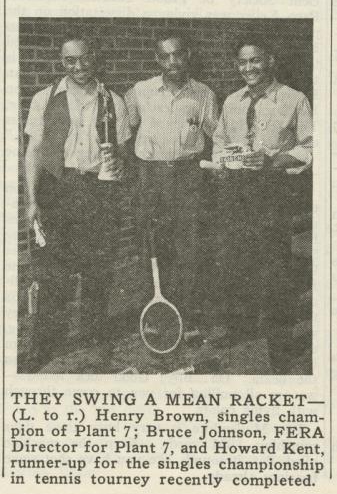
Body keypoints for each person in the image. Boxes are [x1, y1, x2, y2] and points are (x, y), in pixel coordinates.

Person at [24, 34, 131, 368]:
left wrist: (119, 164)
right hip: (57, 188)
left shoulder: (113, 100)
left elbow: (123, 152)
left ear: (94, 57)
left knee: (98, 268)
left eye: (84, 58)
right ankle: (45, 344)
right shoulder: (46, 98)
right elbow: (34, 151)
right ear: (61, 62)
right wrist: (32, 199)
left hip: (98, 190)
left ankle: (95, 334)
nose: (78, 66)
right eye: (70, 60)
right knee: (53, 271)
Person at [212, 36, 313, 373]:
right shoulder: (231, 102)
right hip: (236, 192)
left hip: (273, 191)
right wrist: (222, 165)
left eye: (254, 61)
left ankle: (280, 345)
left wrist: (273, 161)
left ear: (270, 60)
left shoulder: (294, 99)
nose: (248, 68)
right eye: (242, 62)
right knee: (236, 261)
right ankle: (239, 332)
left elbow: (311, 148)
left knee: (275, 267)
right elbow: (220, 141)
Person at [125, 32, 219, 324]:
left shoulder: (204, 94)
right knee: (151, 245)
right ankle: (153, 314)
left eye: (177, 54)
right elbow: (123, 135)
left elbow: (219, 136)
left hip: (189, 176)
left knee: (188, 246)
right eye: (165, 56)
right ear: (157, 59)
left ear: (187, 55)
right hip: (150, 176)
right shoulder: (140, 91)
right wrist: (135, 173)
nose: (172, 62)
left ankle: (186, 314)